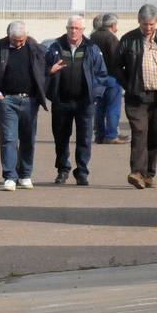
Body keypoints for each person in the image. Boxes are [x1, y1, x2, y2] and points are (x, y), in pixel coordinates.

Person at [116, 4, 157, 189]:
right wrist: (128, 84)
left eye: (151, 24)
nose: (148, 28)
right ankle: (137, 172)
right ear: (139, 22)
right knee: (139, 133)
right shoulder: (128, 40)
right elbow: (116, 66)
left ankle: (149, 174)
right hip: (137, 97)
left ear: (156, 22)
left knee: (154, 136)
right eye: (145, 24)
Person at [44, 15, 108, 186]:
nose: (73, 31)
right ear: (66, 29)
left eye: (77, 28)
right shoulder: (55, 48)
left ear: (83, 30)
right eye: (71, 28)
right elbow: (43, 70)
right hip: (62, 101)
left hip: (84, 103)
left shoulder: (92, 48)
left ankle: (82, 171)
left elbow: (102, 75)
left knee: (85, 138)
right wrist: (50, 72)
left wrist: (94, 95)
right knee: (61, 138)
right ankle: (63, 170)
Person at [0, 21, 48, 191]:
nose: (19, 43)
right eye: (15, 40)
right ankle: (10, 176)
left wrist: (42, 90)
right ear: (9, 36)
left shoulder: (34, 48)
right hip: (7, 101)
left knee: (28, 139)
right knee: (8, 139)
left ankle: (25, 174)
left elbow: (42, 70)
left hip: (29, 101)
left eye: (21, 40)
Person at [91, 13, 127, 145]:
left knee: (100, 107)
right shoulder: (111, 38)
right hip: (111, 77)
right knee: (113, 107)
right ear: (112, 25)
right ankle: (111, 135)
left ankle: (99, 135)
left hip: (96, 78)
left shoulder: (93, 36)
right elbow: (116, 59)